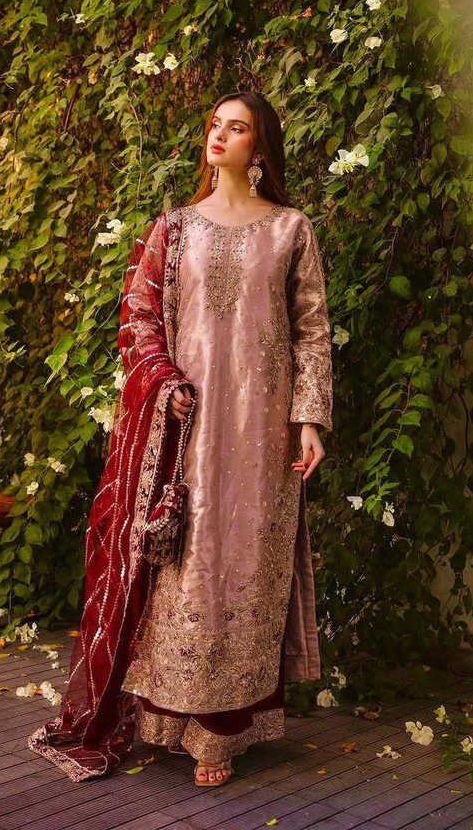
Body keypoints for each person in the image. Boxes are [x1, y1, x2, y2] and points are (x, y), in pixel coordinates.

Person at [29, 90, 333, 787]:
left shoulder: (291, 230)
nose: (219, 135)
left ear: (260, 147)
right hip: (186, 428)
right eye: (215, 124)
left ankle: (222, 732)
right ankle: (174, 716)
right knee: (187, 563)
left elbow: (311, 329)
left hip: (262, 433)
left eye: (237, 127)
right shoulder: (175, 229)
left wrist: (309, 419)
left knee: (246, 564)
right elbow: (137, 313)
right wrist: (163, 380)